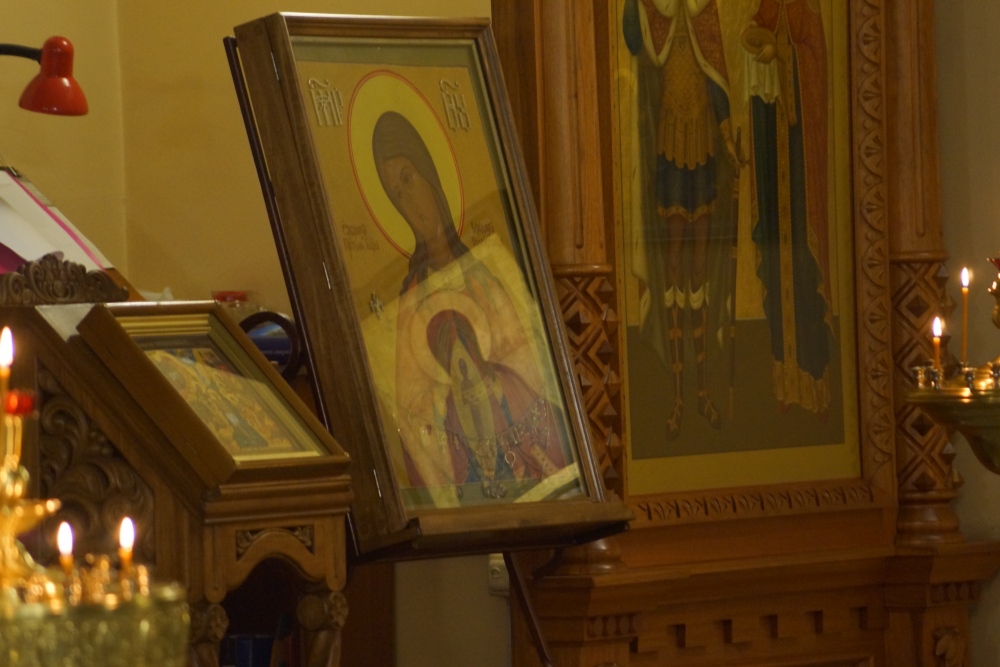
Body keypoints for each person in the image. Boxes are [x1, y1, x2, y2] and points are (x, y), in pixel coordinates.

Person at [371, 111, 574, 503]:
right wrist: (445, 400)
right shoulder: (409, 298)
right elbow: (410, 416)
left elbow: (531, 369)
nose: (407, 202)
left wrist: (493, 383)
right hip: (467, 475)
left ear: (429, 173)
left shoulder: (484, 274)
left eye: (408, 179)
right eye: (395, 194)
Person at [622, 0, 739, 439]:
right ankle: (677, 394)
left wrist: (728, 138)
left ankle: (703, 388)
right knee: (673, 256)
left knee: (700, 262)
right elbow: (634, 40)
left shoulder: (705, 9)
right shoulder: (657, 8)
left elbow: (716, 78)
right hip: (670, 139)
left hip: (704, 141)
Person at [743, 0, 833, 414]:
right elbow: (754, 31)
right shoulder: (769, 4)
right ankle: (784, 379)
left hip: (799, 159)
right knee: (777, 265)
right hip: (771, 142)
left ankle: (813, 380)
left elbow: (816, 63)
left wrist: (782, 53)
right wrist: (755, 41)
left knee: (802, 265)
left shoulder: (806, 7)